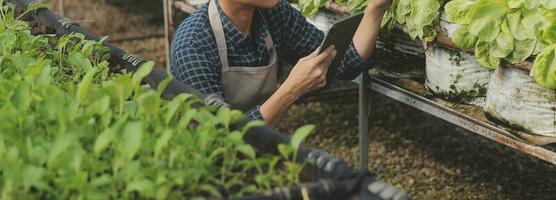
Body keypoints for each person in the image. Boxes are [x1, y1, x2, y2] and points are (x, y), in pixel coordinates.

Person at [171, 0, 391, 127]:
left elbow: (343, 63)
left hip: (261, 152)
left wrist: (376, 9)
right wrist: (291, 89)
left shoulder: (275, 14)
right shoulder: (193, 46)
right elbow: (220, 140)